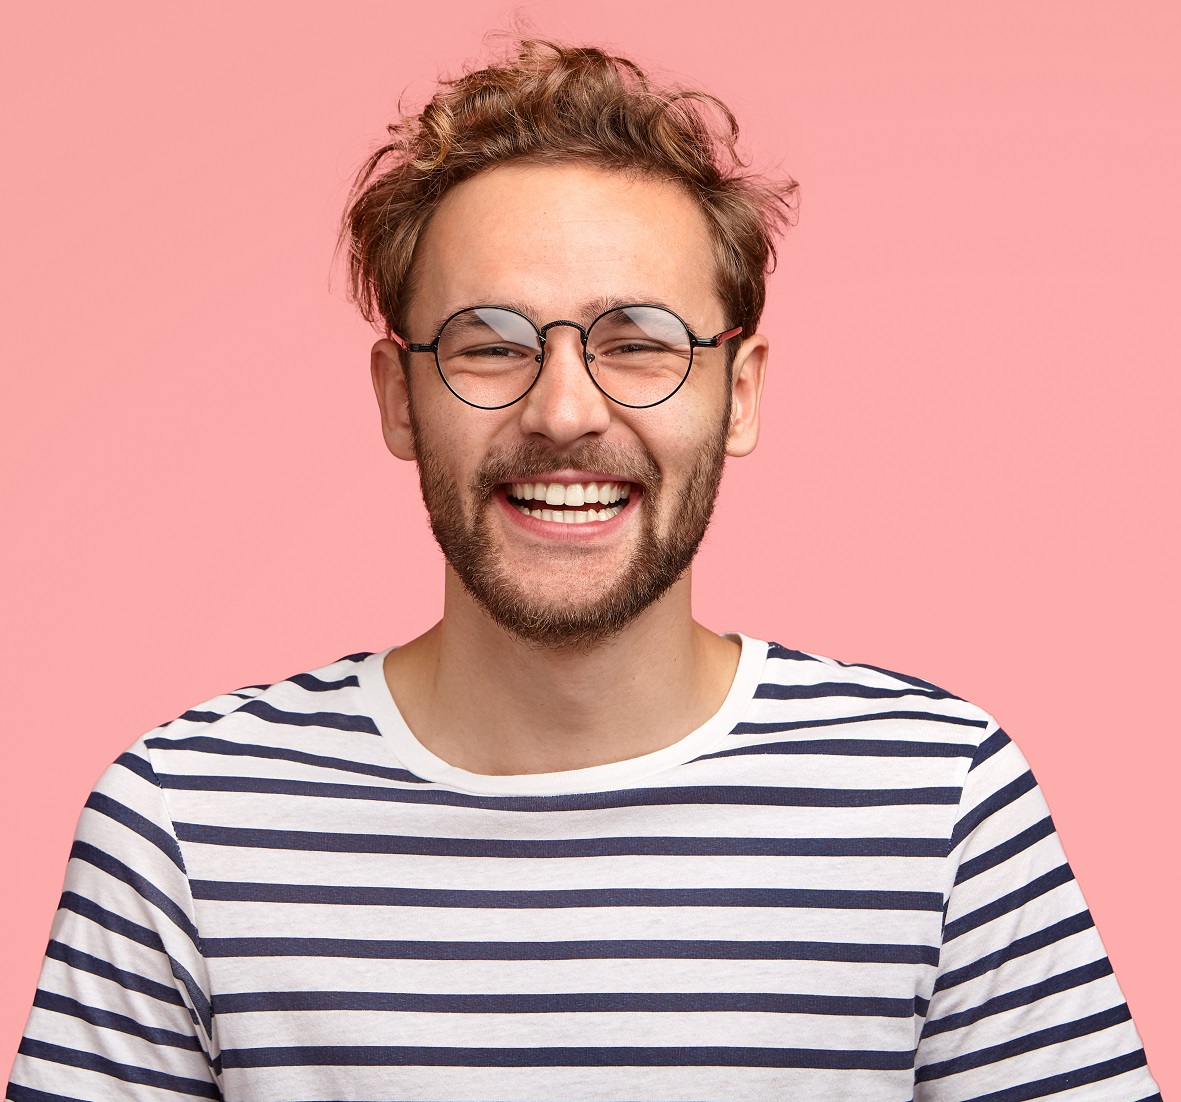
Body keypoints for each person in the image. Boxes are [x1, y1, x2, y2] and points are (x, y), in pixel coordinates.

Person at [6, 37, 1161, 1102]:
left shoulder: (938, 798)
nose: (564, 412)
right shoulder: (184, 823)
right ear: (397, 399)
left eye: (638, 342)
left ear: (739, 391)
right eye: (490, 346)